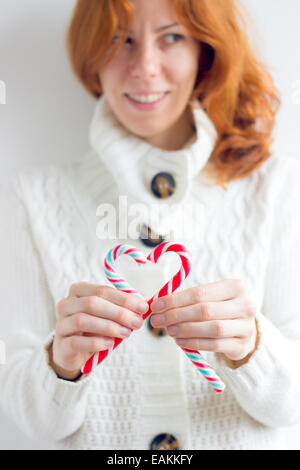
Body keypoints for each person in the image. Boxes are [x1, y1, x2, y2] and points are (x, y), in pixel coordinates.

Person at [0, 0, 300, 451]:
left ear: (205, 51)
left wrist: (252, 346)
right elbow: (33, 424)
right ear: (92, 53)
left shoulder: (275, 188)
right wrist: (60, 363)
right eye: (121, 40)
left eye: (172, 37)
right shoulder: (32, 198)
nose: (144, 67)